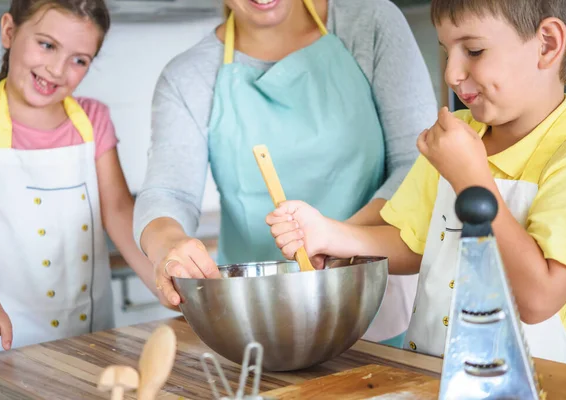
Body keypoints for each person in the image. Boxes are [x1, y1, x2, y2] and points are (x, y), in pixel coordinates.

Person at [267, 0, 566, 363]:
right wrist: (330, 235)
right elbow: (413, 241)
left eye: (473, 50)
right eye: (446, 51)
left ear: (548, 43)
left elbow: (539, 300)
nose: (452, 73)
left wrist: (470, 179)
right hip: (430, 376)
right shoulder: (454, 137)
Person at [134, 0, 438, 348]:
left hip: (374, 301)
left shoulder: (369, 23)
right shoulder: (188, 75)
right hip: (255, 317)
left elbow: (417, 166)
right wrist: (167, 247)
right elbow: (168, 194)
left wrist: (335, 238)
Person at [0, 0, 163, 363]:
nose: (57, 69)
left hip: (90, 339)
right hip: (2, 338)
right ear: (9, 31)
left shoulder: (93, 119)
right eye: (46, 44)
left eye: (79, 60)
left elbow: (120, 213)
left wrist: (167, 284)